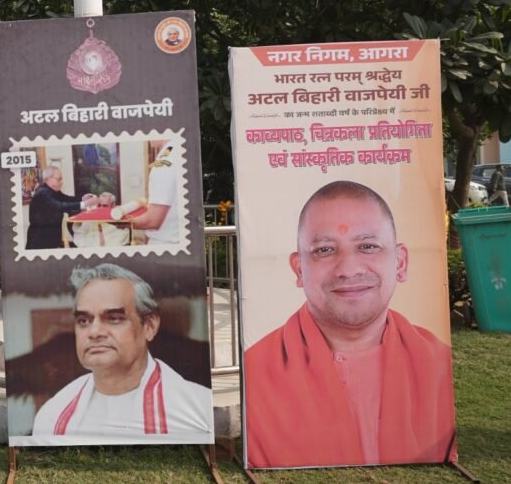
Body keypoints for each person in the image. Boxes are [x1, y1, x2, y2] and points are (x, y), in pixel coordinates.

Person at [244, 180, 457, 468]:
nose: (348, 269)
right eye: (324, 250)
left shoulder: (436, 364)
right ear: (299, 269)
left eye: (368, 246)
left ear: (400, 262)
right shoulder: (256, 373)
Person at [31, 264, 211, 442]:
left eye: (114, 318)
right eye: (84, 320)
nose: (94, 332)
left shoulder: (198, 409)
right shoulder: (52, 416)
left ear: (150, 325)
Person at [26, 166, 98, 249]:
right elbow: (60, 206)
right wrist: (84, 204)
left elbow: (67, 199)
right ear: (49, 179)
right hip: (39, 241)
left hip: (51, 239)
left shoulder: (53, 191)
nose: (61, 182)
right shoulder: (42, 193)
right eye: (59, 179)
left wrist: (82, 199)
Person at [132, 143, 179, 245]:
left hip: (165, 243)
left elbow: (153, 220)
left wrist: (122, 223)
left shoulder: (164, 164)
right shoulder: (174, 152)